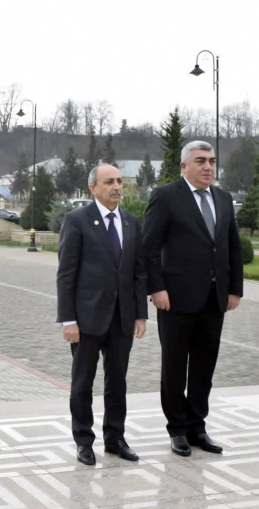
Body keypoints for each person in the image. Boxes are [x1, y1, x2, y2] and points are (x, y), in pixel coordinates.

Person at [142, 140, 244, 457]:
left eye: (212, 161)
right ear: (184, 166)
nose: (208, 167)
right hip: (175, 300)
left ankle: (198, 426)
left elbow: (232, 247)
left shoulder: (224, 199)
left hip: (214, 300)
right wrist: (156, 289)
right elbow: (148, 248)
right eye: (200, 160)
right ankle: (178, 430)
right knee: (174, 368)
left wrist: (235, 288)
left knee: (204, 367)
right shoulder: (166, 197)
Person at [57, 164, 148, 466]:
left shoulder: (132, 223)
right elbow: (66, 273)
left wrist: (139, 314)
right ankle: (84, 440)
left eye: (120, 181)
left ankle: (115, 438)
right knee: (83, 382)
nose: (117, 187)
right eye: (109, 182)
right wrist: (68, 319)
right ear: (92, 189)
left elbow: (138, 271)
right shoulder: (77, 220)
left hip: (122, 318)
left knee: (117, 381)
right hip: (86, 318)